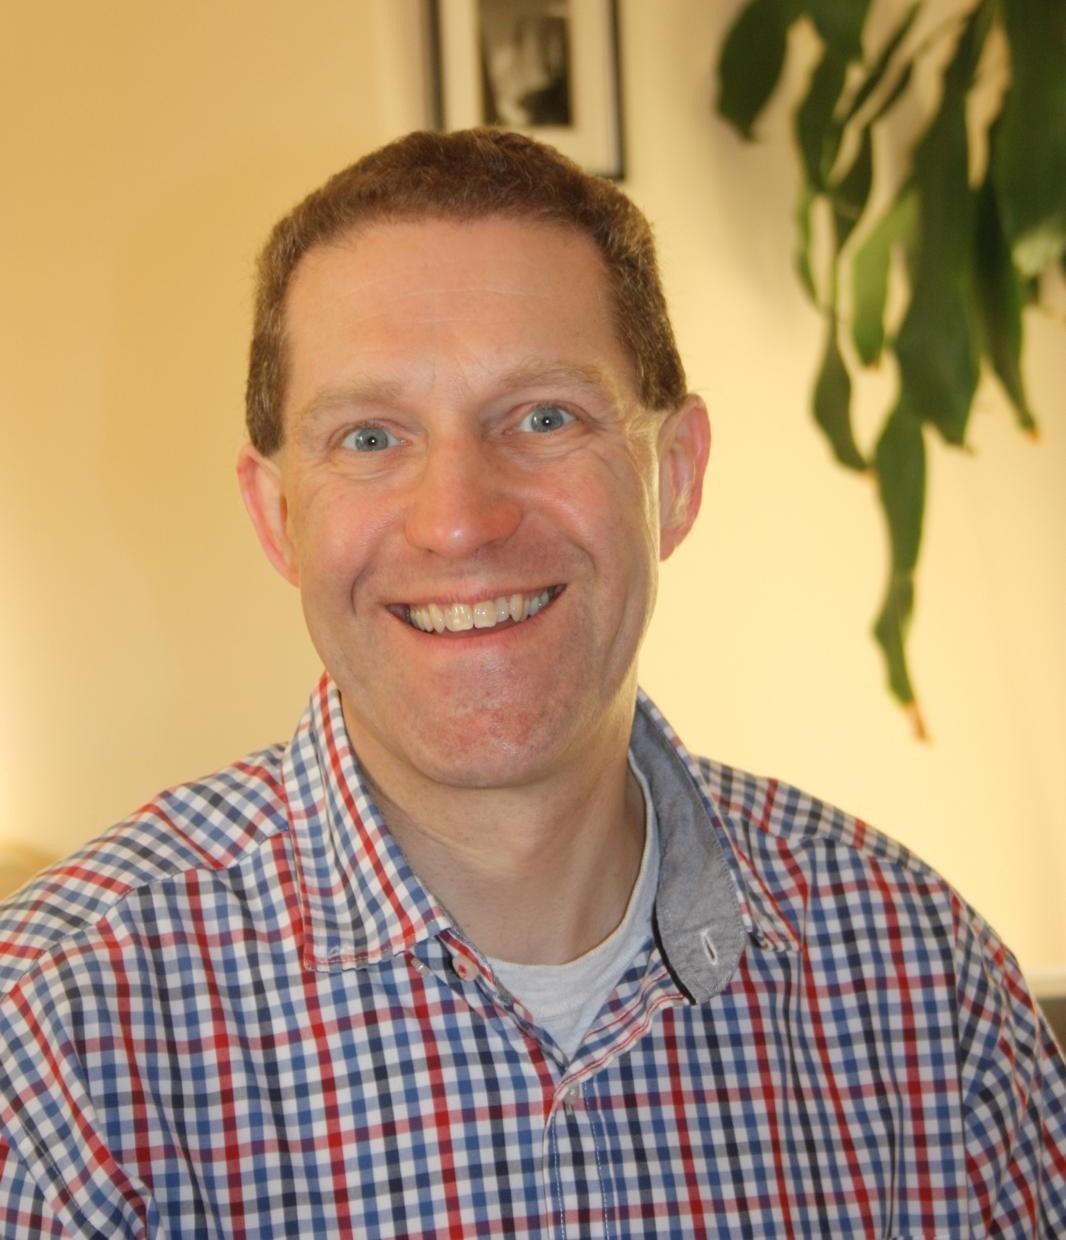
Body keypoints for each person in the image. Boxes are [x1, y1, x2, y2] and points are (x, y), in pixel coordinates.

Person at [0, 128, 1063, 1238]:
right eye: (369, 438)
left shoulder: (924, 984)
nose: (459, 520)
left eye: (544, 417)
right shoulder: (56, 1048)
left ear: (674, 476)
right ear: (279, 519)